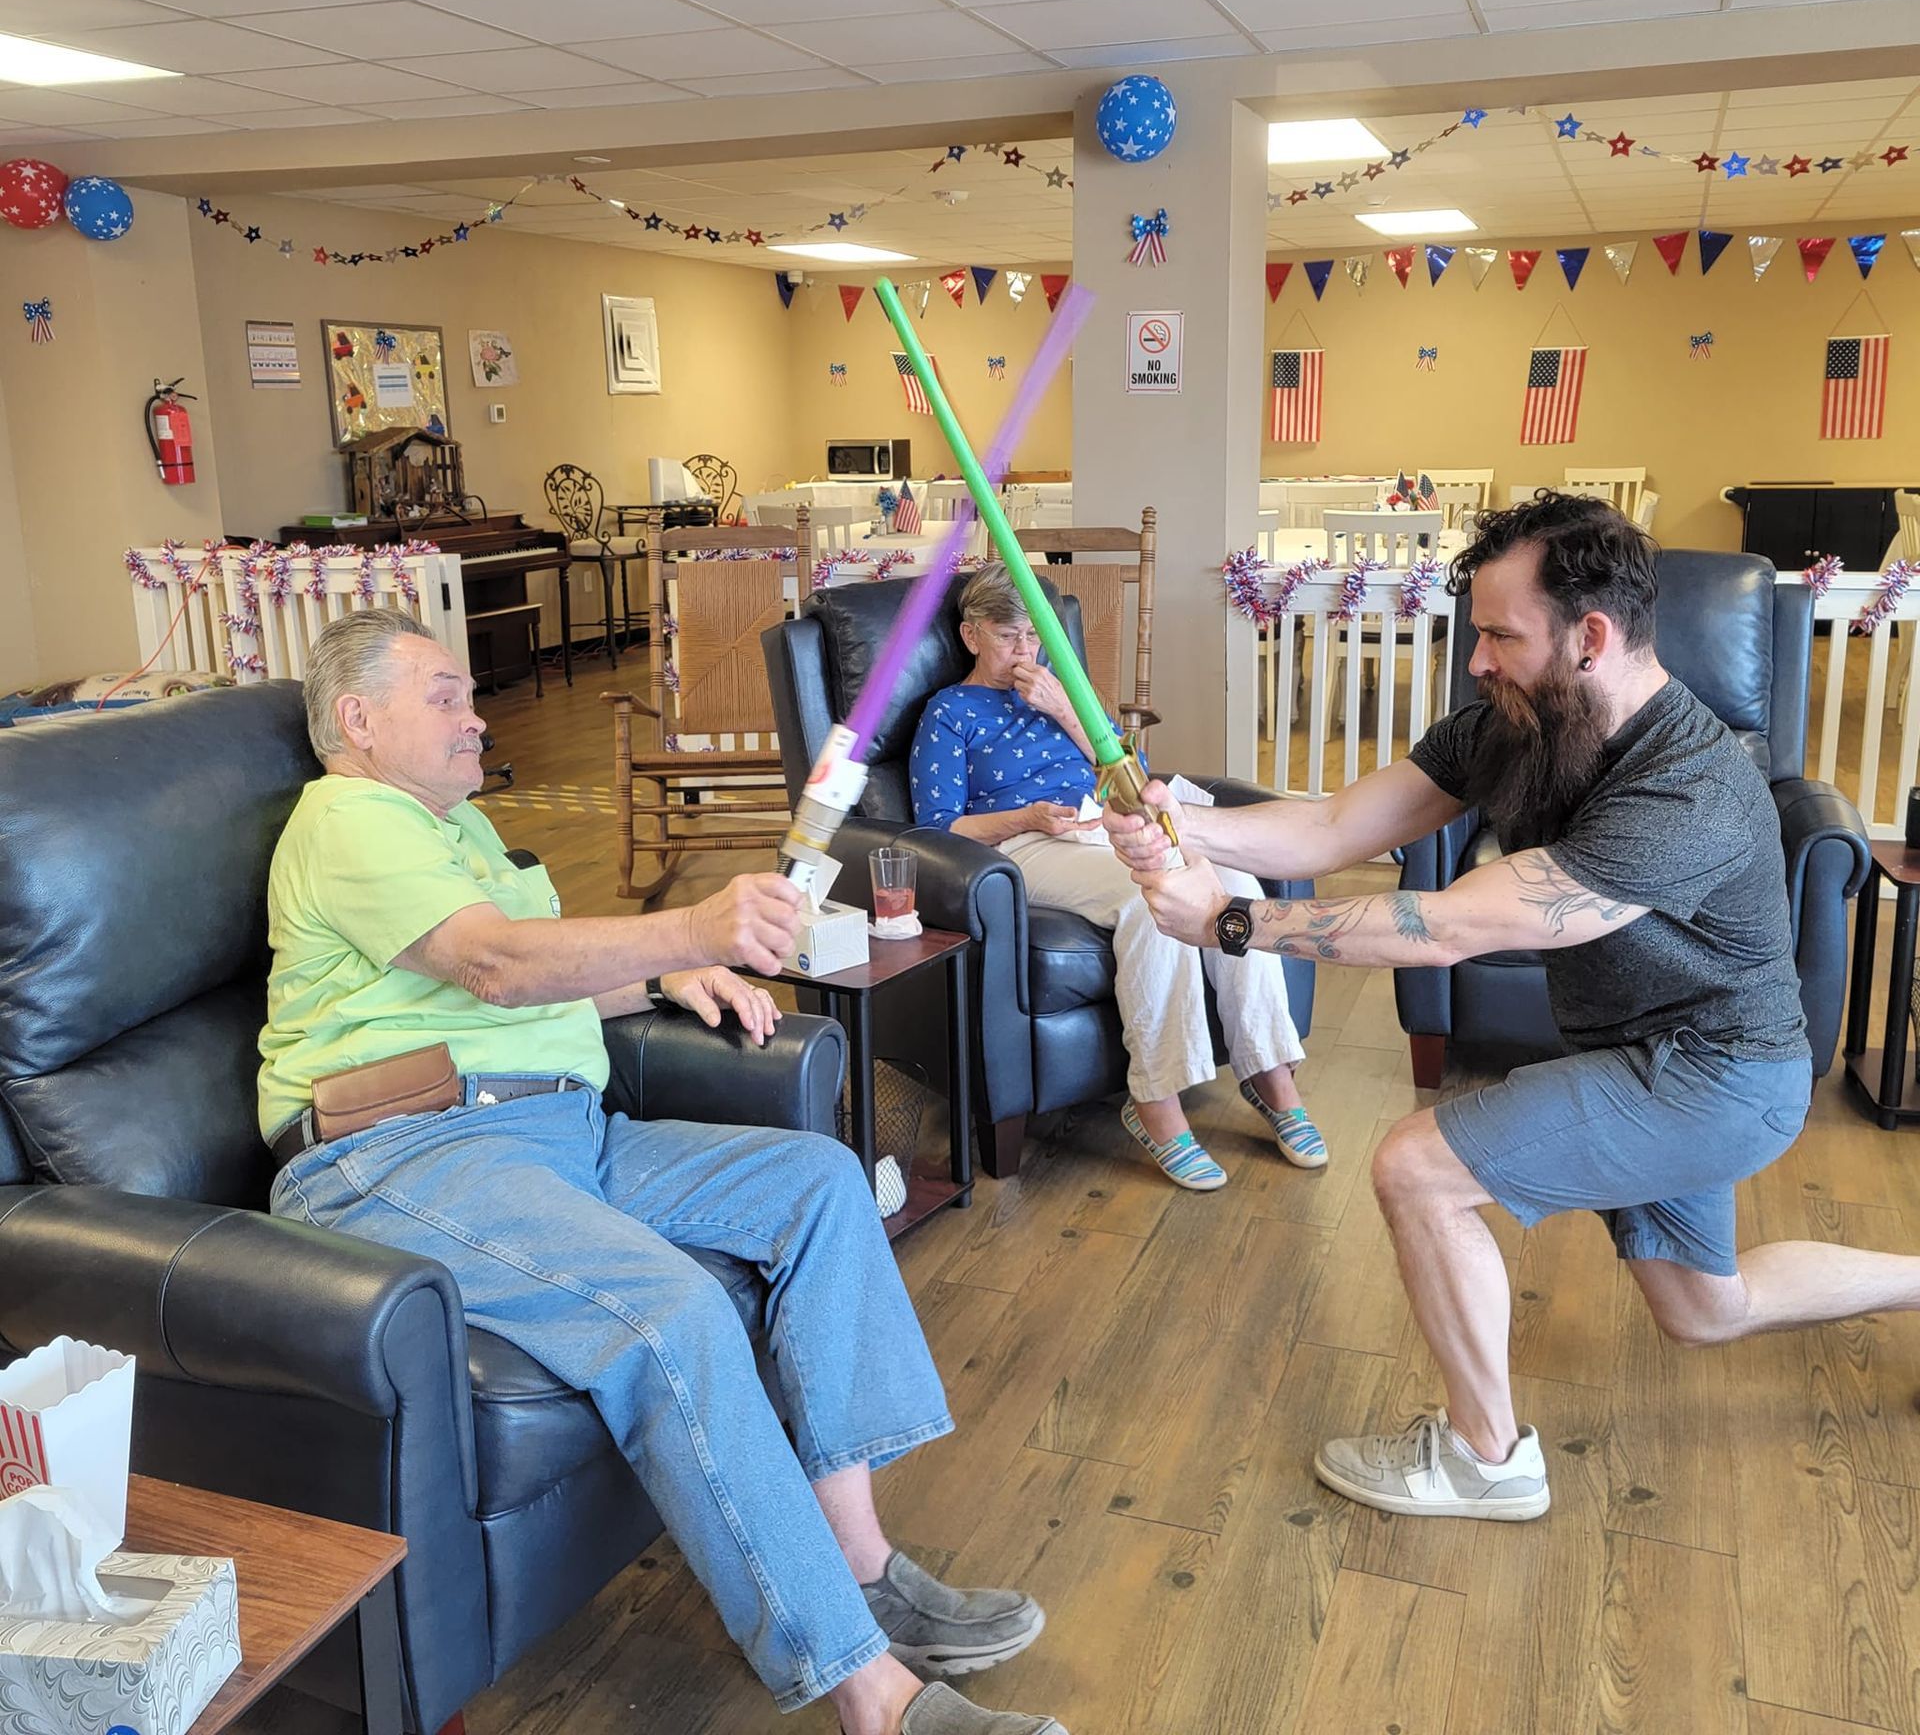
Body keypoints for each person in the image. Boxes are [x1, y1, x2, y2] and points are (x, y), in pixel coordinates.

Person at [259, 608, 1065, 1735]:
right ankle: (870, 1695)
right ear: (356, 720)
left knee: (821, 1187)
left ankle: (860, 1564)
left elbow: (526, 972)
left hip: (558, 1134)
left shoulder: (462, 833)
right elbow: (490, 967)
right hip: (404, 1151)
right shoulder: (351, 817)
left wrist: (658, 981)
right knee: (672, 1310)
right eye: (445, 695)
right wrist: (688, 930)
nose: (478, 714)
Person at [1106, 491, 1920, 1522]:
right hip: (1647, 1057)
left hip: (1716, 1076)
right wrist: (1189, 822)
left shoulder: (1689, 787)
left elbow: (1450, 927)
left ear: (1590, 636)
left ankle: (1486, 1459)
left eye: (1500, 634)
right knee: (1707, 1311)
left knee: (1417, 1167)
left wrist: (1231, 924)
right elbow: (1329, 828)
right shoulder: (1516, 723)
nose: (1477, 658)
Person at [909, 563, 1321, 1191]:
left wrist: (1068, 710)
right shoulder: (950, 710)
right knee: (1149, 896)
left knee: (1233, 882)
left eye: (1034, 638)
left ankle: (1272, 1076)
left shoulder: (1062, 689)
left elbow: (1137, 775)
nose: (1026, 652)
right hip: (1024, 843)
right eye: (1009, 638)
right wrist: (1024, 816)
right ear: (971, 636)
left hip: (1107, 823)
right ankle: (1155, 1103)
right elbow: (938, 827)